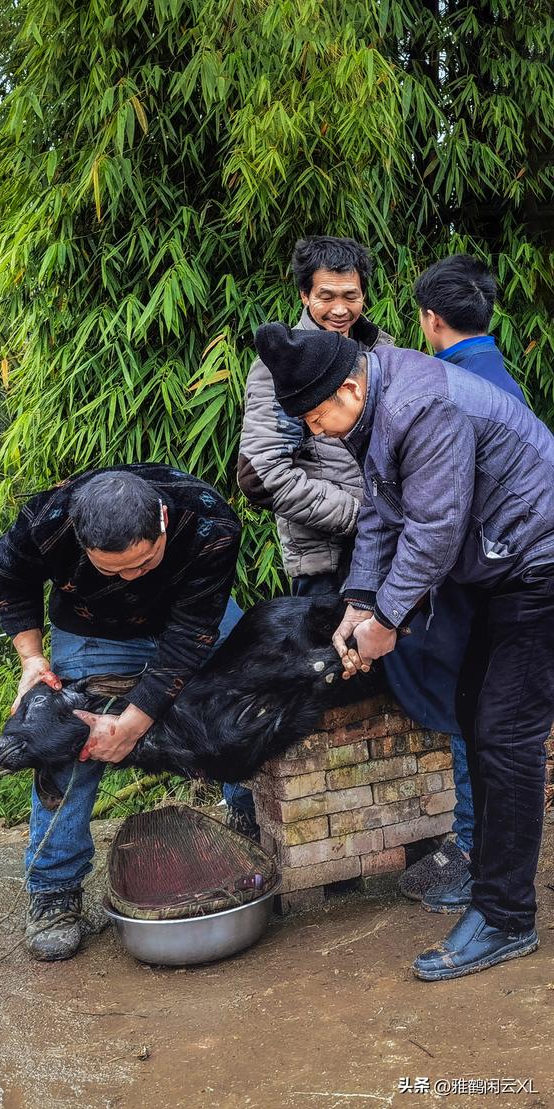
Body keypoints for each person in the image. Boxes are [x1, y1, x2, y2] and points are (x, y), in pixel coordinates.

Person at [255, 321, 554, 981]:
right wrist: (360, 601)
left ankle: (505, 916)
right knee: (476, 716)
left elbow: (435, 528)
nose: (316, 431)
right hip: (502, 569)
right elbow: (382, 514)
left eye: (315, 415)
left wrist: (386, 620)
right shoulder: (376, 407)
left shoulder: (420, 406)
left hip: (539, 561)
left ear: (350, 385)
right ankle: (494, 883)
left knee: (505, 734)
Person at [0, 465, 242, 961]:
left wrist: (133, 723)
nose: (130, 577)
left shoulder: (211, 522)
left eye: (143, 562)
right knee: (68, 739)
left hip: (190, 617)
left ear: (163, 521)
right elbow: (6, 575)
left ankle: (247, 818)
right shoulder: (48, 519)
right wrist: (32, 659)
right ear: (82, 545)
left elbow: (190, 636)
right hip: (92, 629)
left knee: (233, 703)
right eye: (113, 568)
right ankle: (54, 890)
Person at [228, 235, 393, 834]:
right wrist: (360, 514)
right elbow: (267, 471)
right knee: (321, 686)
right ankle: (312, 828)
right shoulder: (281, 365)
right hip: (326, 554)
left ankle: (387, 817)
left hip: (390, 553)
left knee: (390, 686)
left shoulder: (381, 351)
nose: (340, 308)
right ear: (304, 294)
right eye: (327, 296)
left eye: (351, 295)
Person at [392, 255, 528, 908]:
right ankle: (483, 849)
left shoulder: (444, 391)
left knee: (468, 717)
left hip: (478, 586)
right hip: (517, 576)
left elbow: (438, 511)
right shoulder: (503, 380)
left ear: (430, 320)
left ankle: (475, 856)